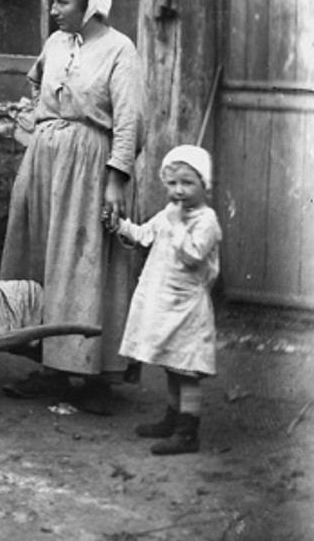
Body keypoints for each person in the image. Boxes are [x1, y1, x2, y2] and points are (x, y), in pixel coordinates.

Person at [0, 0, 144, 415]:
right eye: (52, 1)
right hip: (45, 164)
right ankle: (49, 367)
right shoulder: (56, 43)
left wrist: (115, 180)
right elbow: (40, 85)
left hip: (89, 169)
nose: (53, 9)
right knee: (44, 261)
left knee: (85, 267)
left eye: (62, 3)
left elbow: (129, 120)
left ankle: (94, 373)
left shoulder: (121, 50)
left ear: (90, 6)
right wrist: (36, 123)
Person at [107, 145, 221, 455]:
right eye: (172, 184)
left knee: (187, 371)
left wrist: (179, 226)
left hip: (187, 308)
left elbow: (194, 254)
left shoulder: (206, 220)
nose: (179, 191)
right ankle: (172, 420)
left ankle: (188, 432)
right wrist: (120, 226)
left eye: (187, 183)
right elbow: (145, 234)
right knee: (172, 366)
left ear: (203, 184)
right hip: (165, 304)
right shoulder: (170, 213)